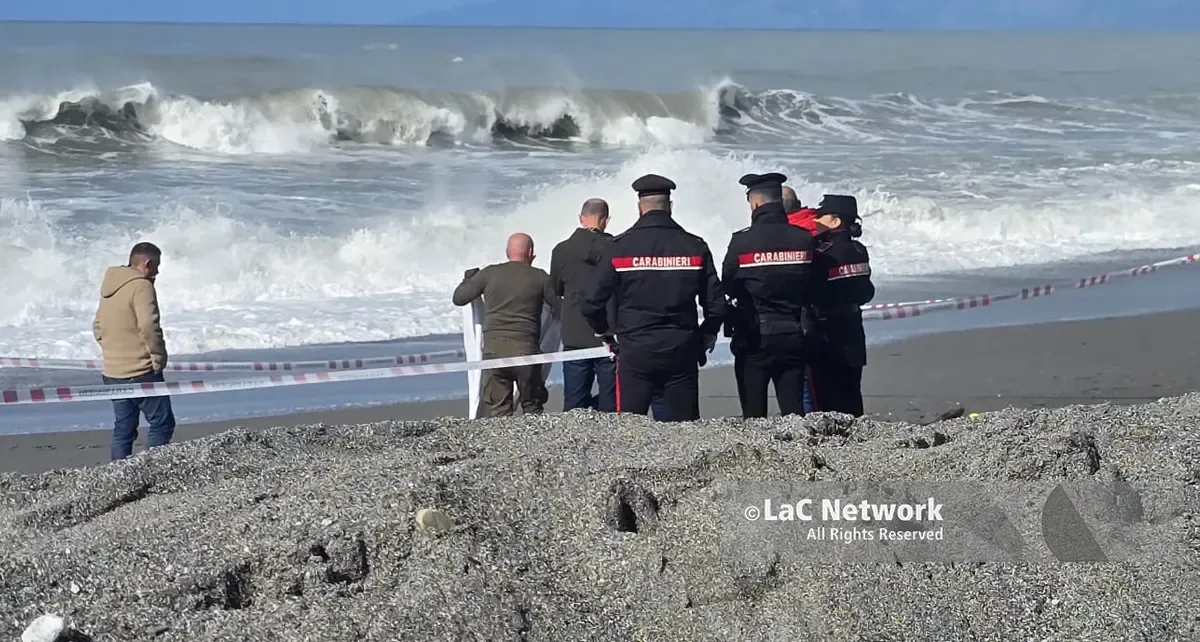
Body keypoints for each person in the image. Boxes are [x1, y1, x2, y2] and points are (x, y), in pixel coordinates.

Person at [582, 174, 725, 421]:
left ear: (640, 207)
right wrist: (705, 336)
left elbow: (591, 302)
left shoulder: (619, 248)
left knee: (630, 430)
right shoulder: (694, 246)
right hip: (681, 348)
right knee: (686, 430)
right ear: (670, 205)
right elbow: (717, 305)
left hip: (635, 349)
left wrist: (605, 333)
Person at [722, 173, 816, 418]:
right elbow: (813, 284)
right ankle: (798, 456)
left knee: (754, 414)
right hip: (794, 333)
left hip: (754, 337)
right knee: (794, 413)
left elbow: (728, 285)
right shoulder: (803, 239)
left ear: (754, 204)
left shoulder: (742, 241)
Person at [453, 233, 560, 417]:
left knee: (499, 414)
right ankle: (533, 444)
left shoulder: (488, 274)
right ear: (531, 252)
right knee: (532, 410)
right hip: (527, 355)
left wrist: (468, 279)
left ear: (507, 252)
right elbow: (560, 307)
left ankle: (502, 445)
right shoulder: (540, 277)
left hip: (495, 354)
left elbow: (459, 298)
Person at [92, 242, 176, 461]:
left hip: (112, 371)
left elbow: (97, 325)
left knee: (124, 427)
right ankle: (150, 471)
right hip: (140, 370)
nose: (157, 272)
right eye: (156, 266)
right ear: (146, 263)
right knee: (162, 423)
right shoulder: (141, 286)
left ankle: (118, 477)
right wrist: (158, 357)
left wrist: (110, 349)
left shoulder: (110, 285)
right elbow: (149, 325)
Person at [805, 194, 875, 417]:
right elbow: (866, 292)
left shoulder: (821, 253)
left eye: (820, 216)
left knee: (825, 400)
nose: (816, 220)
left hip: (826, 332)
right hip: (853, 329)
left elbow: (811, 292)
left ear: (836, 221)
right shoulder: (859, 250)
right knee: (852, 393)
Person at [550, 198, 619, 412]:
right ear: (606, 221)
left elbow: (557, 289)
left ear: (581, 218)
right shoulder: (616, 248)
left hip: (575, 333)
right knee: (612, 405)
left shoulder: (561, 251)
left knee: (574, 405)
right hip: (609, 333)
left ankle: (574, 444)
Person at [782, 184, 821, 413]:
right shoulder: (815, 224)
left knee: (806, 382)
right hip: (822, 314)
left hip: (800, 317)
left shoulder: (794, 232)